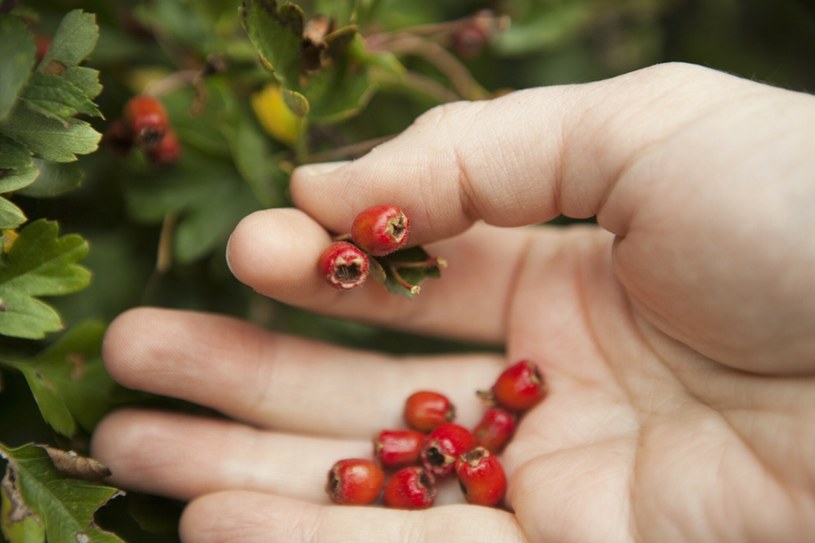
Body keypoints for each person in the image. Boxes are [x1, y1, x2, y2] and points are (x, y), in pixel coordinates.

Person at [91, 62, 815, 542]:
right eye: (442, 453)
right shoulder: (461, 440)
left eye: (442, 453)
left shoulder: (459, 441)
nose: (440, 451)